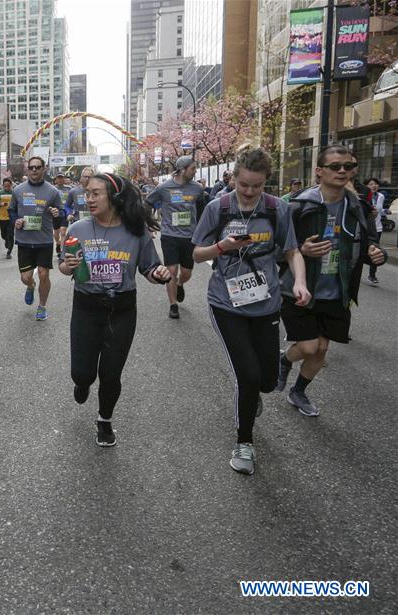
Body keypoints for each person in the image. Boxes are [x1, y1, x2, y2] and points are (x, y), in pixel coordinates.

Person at [192, 145, 311, 475]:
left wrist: (299, 281)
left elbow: (292, 251)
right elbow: (197, 255)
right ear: (234, 176)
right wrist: (221, 247)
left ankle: (255, 391)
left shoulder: (277, 209)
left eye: (256, 186)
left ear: (266, 182)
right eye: (243, 184)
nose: (248, 192)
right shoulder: (219, 208)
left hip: (266, 301)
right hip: (226, 303)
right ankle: (244, 442)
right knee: (247, 375)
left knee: (268, 380)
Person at [60, 173, 171, 447]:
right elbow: (63, 266)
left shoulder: (136, 231)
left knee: (111, 373)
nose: (89, 198)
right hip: (86, 307)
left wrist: (159, 273)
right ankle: (83, 382)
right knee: (82, 372)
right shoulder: (77, 230)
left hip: (121, 309)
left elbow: (148, 267)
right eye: (88, 193)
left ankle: (105, 420)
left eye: (96, 193)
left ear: (114, 196)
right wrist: (68, 267)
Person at [275, 145, 386, 418]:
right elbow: (276, 248)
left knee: (322, 349)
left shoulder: (358, 206)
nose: (342, 171)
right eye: (335, 166)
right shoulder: (299, 205)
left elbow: (369, 243)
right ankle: (284, 359)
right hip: (298, 289)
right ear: (319, 171)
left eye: (348, 166)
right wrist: (301, 250)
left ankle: (298, 391)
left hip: (338, 291)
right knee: (310, 346)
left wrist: (376, 254)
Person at [146, 155, 205, 319]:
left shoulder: (198, 188)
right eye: (192, 168)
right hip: (169, 235)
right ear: (182, 170)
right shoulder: (163, 188)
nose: (195, 171)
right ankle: (173, 305)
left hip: (189, 236)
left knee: (186, 272)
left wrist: (202, 231)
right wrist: (149, 224)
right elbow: (148, 203)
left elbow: (202, 211)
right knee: (171, 269)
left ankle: (180, 283)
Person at [9, 156, 63, 321]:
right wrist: (15, 220)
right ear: (27, 169)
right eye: (31, 167)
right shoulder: (18, 190)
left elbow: (60, 215)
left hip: (44, 240)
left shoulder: (53, 192)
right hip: (24, 240)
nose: (34, 170)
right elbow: (12, 210)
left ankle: (42, 306)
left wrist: (57, 214)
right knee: (26, 277)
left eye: (37, 167)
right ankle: (31, 286)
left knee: (43, 274)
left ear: (43, 169)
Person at [365, 177, 384, 285]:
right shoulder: (363, 197)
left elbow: (381, 211)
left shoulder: (381, 196)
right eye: (371, 184)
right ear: (366, 186)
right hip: (365, 229)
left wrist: (386, 211)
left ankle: (372, 275)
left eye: (376, 184)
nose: (374, 186)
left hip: (378, 228)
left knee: (375, 250)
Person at [0, 177, 15, 258]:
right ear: (3, 186)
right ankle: (6, 240)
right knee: (3, 235)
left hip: (11, 218)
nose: (7, 187)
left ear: (11, 185)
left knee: (11, 235)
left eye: (8, 186)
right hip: (2, 217)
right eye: (5, 186)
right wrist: (0, 205)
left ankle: (9, 252)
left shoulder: (14, 193)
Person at [52, 172, 71, 258]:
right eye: (58, 178)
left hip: (65, 213)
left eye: (61, 178)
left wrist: (71, 211)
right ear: (56, 180)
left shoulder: (69, 189)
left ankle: (63, 251)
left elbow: (72, 201)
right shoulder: (52, 189)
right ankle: (58, 243)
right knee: (56, 234)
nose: (60, 180)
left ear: (64, 179)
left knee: (63, 231)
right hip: (55, 213)